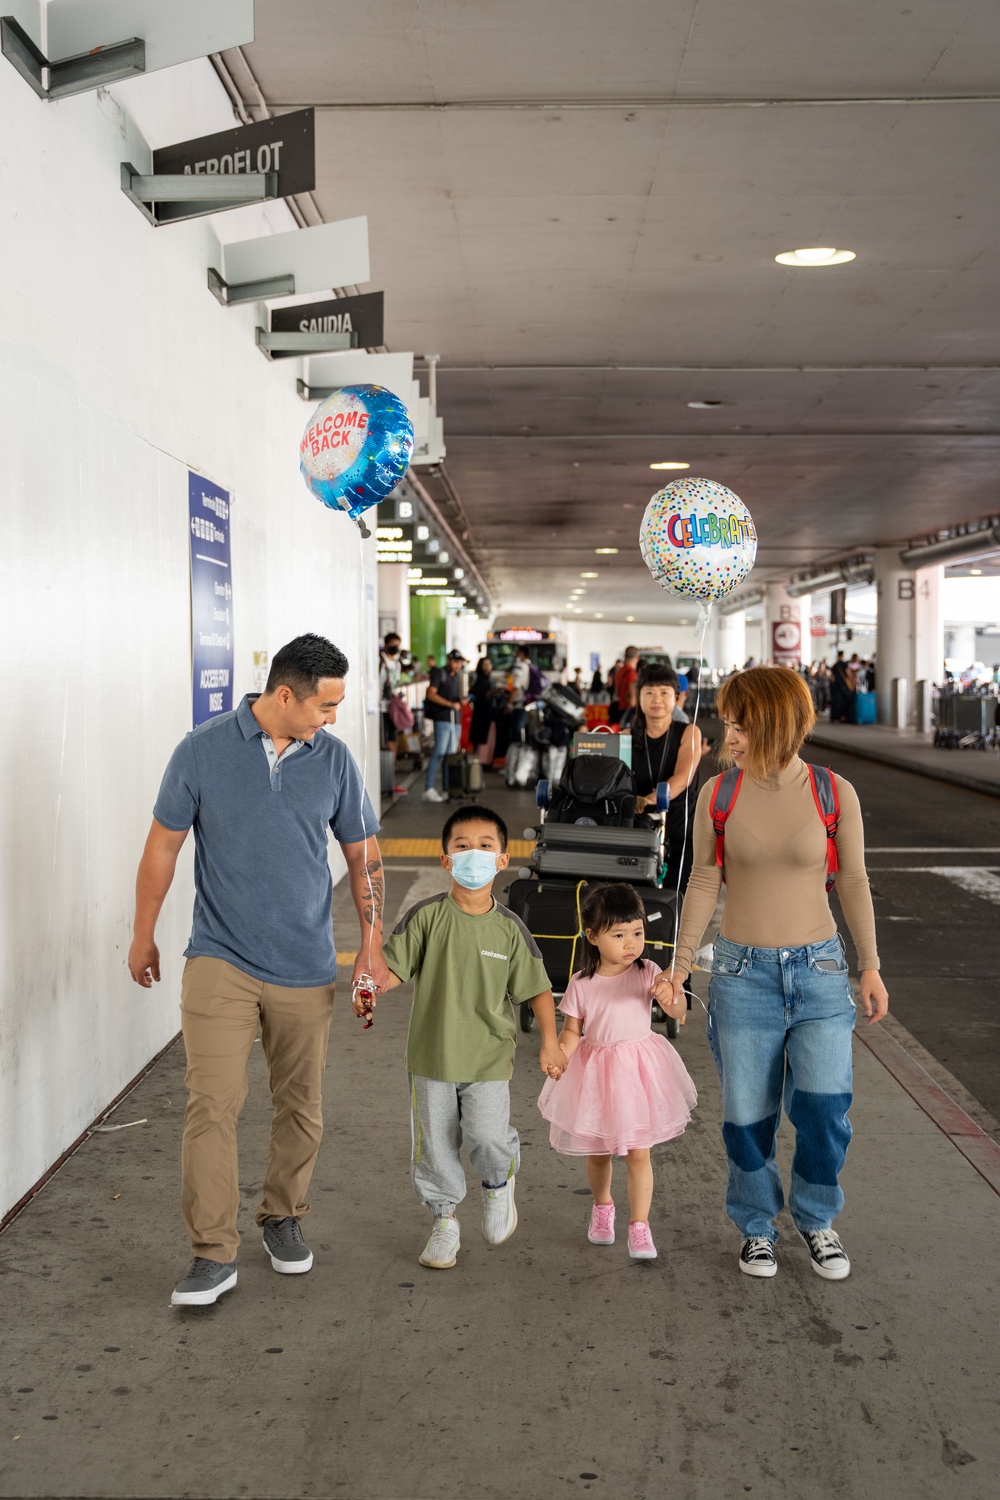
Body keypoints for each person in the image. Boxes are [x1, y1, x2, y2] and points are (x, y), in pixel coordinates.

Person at [128, 634, 388, 1307]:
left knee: (300, 1103)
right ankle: (212, 1253)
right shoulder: (202, 751)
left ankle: (282, 1215)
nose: (331, 718)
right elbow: (162, 846)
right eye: (324, 705)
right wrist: (143, 935)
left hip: (304, 962)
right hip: (220, 956)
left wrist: (370, 944)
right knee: (211, 1102)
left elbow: (363, 856)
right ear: (283, 695)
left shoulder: (333, 760)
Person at [668, 666, 889, 1281]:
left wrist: (869, 967)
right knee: (747, 1115)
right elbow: (705, 880)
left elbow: (852, 880)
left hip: (819, 972)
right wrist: (680, 966)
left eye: (738, 724)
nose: (727, 735)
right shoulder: (719, 794)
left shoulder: (832, 791)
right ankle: (757, 1226)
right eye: (726, 723)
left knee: (823, 1109)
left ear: (771, 723)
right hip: (741, 976)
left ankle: (817, 1219)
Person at [355, 805, 563, 1270]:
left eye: (485, 847)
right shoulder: (426, 917)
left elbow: (538, 990)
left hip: (488, 1058)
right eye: (462, 847)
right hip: (431, 1056)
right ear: (446, 860)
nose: (474, 855)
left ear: (503, 859)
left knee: (487, 1136)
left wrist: (550, 1041)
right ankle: (444, 1220)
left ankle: (497, 1185)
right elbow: (391, 968)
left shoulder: (511, 929)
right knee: (434, 1147)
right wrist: (370, 987)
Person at [537, 884, 695, 1261]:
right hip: (597, 1073)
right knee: (599, 1152)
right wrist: (560, 1054)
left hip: (639, 1072)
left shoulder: (649, 972)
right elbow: (573, 1030)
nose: (631, 943)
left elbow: (679, 1012)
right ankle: (603, 1207)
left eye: (638, 933)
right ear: (592, 937)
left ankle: (640, 1225)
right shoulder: (581, 983)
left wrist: (671, 997)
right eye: (619, 934)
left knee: (639, 1153)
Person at [630, 664, 703, 899]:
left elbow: (682, 779)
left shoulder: (690, 732)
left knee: (675, 901)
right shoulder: (625, 736)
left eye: (664, 692)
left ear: (676, 697)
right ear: (639, 696)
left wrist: (647, 800)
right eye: (649, 692)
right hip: (637, 832)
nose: (656, 699)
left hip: (679, 832)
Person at [422, 649, 467, 803]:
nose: (458, 664)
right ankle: (429, 788)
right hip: (443, 719)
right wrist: (450, 704)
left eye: (460, 662)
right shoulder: (439, 674)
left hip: (455, 720)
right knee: (439, 753)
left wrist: (460, 702)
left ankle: (448, 789)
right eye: (455, 661)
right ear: (448, 660)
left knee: (450, 756)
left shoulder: (456, 677)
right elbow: (431, 694)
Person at [378, 631, 407, 796]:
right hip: (381, 708)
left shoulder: (397, 664)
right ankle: (383, 779)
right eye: (393, 644)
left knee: (393, 743)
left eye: (398, 644)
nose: (395, 647)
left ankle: (390, 778)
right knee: (386, 744)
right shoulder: (379, 661)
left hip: (392, 709)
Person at [469, 656, 500, 768]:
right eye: (485, 665)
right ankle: (481, 762)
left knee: (489, 738)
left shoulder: (488, 680)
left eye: (489, 664)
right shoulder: (480, 681)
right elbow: (479, 696)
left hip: (488, 715)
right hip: (482, 717)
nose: (487, 667)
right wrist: (491, 693)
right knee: (483, 740)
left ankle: (486, 761)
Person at [829, 651, 856, 723]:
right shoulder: (844, 664)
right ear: (843, 655)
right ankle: (843, 717)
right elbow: (848, 674)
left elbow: (831, 677)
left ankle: (835, 717)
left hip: (836, 686)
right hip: (844, 686)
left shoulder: (835, 665)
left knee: (836, 701)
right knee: (845, 701)